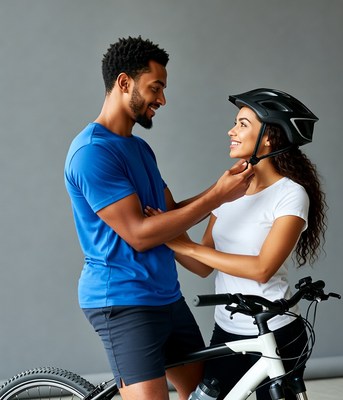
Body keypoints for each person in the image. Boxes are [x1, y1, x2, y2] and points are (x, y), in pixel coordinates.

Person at [64, 36, 254, 400]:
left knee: (210, 395)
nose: (162, 99)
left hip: (166, 296)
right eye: (156, 88)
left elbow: (171, 215)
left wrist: (226, 189)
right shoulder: (92, 153)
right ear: (124, 83)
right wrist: (217, 196)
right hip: (122, 301)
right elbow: (139, 233)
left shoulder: (139, 148)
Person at [151, 88, 327, 399]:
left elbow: (262, 269)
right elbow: (205, 266)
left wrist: (186, 245)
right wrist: (163, 236)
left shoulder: (290, 195)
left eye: (243, 124)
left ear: (269, 138)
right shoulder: (230, 189)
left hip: (278, 332)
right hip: (228, 331)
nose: (231, 131)